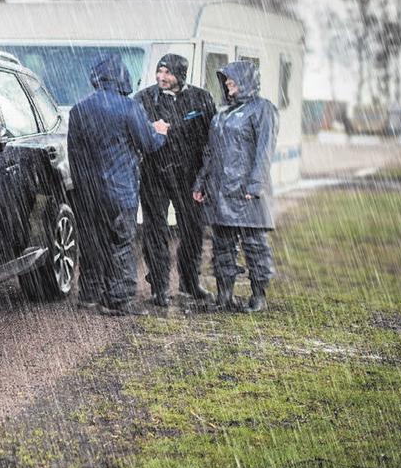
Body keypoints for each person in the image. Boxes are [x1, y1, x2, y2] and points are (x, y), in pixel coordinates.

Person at [68, 54, 166, 316]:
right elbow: (148, 143)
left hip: (87, 191)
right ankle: (118, 300)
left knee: (92, 243)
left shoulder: (78, 109)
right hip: (120, 190)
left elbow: (74, 154)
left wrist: (81, 187)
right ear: (121, 76)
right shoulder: (129, 107)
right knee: (121, 244)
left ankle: (89, 294)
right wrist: (160, 132)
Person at [192, 60, 278, 313]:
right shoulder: (223, 114)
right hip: (220, 189)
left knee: (255, 245)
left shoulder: (263, 109)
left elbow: (264, 150)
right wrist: (202, 182)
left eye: (233, 83)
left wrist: (255, 183)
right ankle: (224, 296)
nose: (229, 89)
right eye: (227, 84)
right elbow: (211, 152)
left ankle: (259, 296)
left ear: (246, 82)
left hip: (246, 190)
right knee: (222, 245)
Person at [134, 54, 217, 308]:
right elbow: (135, 133)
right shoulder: (144, 99)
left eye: (168, 73)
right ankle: (159, 286)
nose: (162, 77)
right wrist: (151, 129)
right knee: (154, 230)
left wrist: (204, 178)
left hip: (189, 176)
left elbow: (210, 141)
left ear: (181, 74)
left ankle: (190, 281)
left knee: (193, 229)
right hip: (154, 174)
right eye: (160, 71)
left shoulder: (201, 99)